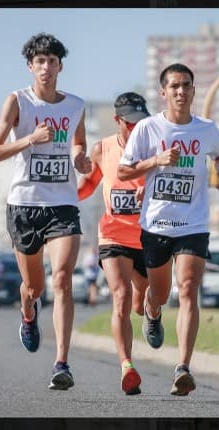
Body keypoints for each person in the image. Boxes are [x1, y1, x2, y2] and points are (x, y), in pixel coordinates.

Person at [0, 33, 91, 391]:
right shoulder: (18, 101)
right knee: (34, 286)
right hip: (24, 205)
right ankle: (28, 314)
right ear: (30, 66)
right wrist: (30, 138)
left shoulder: (75, 105)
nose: (46, 67)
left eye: (52, 61)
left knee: (62, 279)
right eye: (39, 61)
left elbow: (79, 143)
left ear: (61, 66)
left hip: (62, 203)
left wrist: (80, 158)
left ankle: (61, 362)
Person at [117, 63, 219, 396]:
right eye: (175, 86)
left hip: (193, 223)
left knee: (189, 288)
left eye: (187, 86)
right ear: (163, 92)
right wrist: (156, 161)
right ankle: (153, 313)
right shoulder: (148, 130)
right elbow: (124, 172)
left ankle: (183, 367)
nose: (181, 92)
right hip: (156, 224)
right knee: (160, 293)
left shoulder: (206, 129)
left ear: (193, 91)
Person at [77, 92, 151, 395]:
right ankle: (127, 366)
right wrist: (62, 194)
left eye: (140, 122)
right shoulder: (102, 149)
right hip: (113, 234)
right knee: (120, 295)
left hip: (148, 236)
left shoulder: (155, 147)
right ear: (117, 120)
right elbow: (88, 187)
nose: (136, 128)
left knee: (141, 299)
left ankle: (151, 313)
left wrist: (150, 192)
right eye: (130, 123)